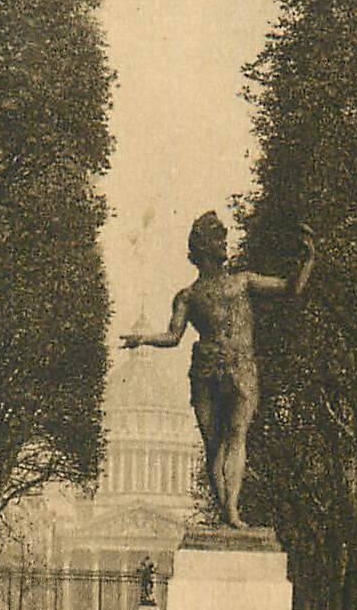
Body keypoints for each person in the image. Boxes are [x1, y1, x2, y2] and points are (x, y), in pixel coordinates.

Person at [120, 212, 314, 528]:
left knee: (236, 435)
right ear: (202, 250)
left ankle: (232, 511)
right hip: (207, 369)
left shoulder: (244, 281)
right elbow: (173, 336)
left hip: (240, 366)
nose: (224, 244)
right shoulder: (188, 295)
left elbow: (291, 288)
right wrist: (142, 338)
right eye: (217, 240)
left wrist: (307, 260)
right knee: (214, 445)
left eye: (223, 238)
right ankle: (227, 512)